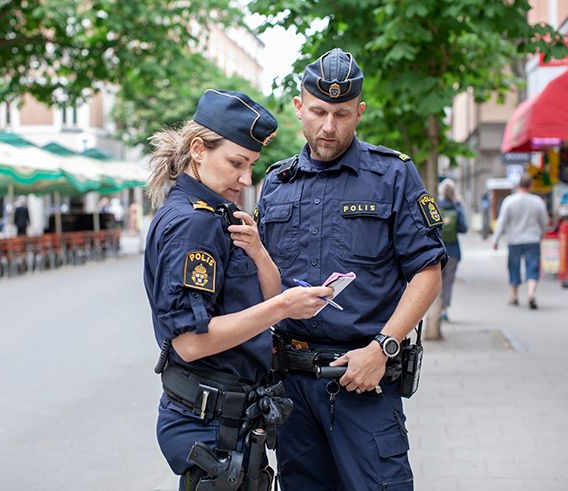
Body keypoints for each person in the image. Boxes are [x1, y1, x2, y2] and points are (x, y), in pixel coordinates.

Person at [256, 48, 447, 490]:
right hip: (292, 387)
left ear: (359, 111)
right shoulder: (275, 184)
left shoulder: (391, 175)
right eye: (319, 111)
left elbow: (428, 270)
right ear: (299, 107)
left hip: (363, 379)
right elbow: (262, 280)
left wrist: (383, 348)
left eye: (342, 114)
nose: (329, 126)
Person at [144, 89, 335, 490]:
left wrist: (261, 253)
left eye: (251, 165)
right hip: (209, 421)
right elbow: (190, 344)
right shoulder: (192, 223)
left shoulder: (219, 214)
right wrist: (283, 306)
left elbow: (261, 298)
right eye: (237, 163)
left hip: (231, 418)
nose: (246, 179)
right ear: (199, 149)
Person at [492, 175, 549, 309]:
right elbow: (544, 221)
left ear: (518, 186)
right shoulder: (537, 201)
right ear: (530, 186)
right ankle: (531, 294)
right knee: (533, 267)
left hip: (514, 240)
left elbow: (502, 222)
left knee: (514, 267)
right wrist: (543, 233)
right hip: (533, 239)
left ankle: (514, 295)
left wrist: (496, 240)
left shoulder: (509, 201)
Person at [437, 178, 468, 321]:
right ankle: (444, 310)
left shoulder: (435, 206)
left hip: (437, 251)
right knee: (448, 281)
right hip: (453, 251)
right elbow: (464, 228)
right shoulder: (456, 208)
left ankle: (435, 308)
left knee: (436, 281)